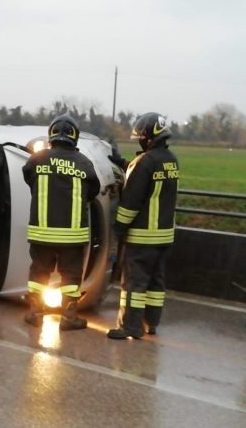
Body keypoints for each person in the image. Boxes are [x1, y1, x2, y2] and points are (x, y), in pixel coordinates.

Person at [22, 115, 100, 330]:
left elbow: (28, 178)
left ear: (51, 135)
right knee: (71, 277)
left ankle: (35, 313)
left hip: (41, 233)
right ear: (75, 137)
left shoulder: (37, 159)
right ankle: (69, 318)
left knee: (39, 273)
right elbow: (93, 191)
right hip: (72, 236)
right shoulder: (84, 162)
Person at [107, 112, 179, 340]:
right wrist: (122, 163)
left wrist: (119, 227)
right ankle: (151, 323)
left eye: (141, 138)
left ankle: (131, 326)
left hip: (142, 236)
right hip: (164, 235)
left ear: (148, 138)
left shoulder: (145, 162)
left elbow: (131, 201)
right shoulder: (171, 160)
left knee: (134, 284)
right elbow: (146, 175)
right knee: (156, 282)